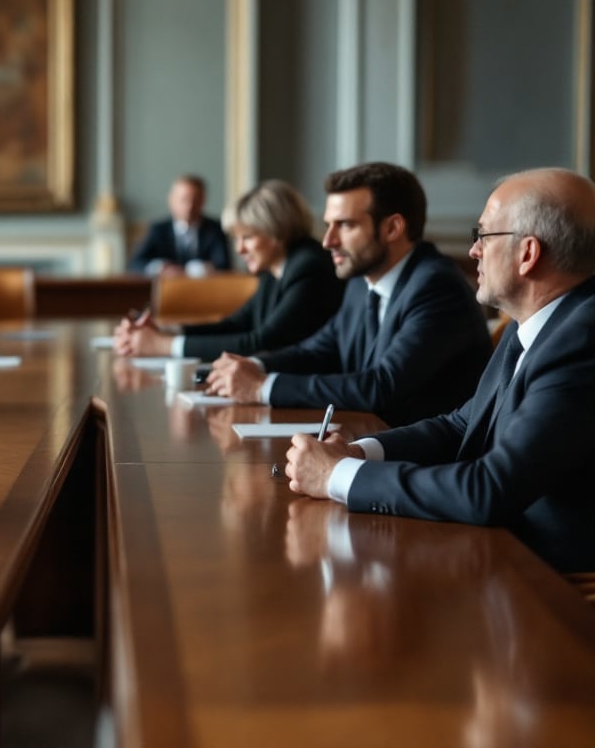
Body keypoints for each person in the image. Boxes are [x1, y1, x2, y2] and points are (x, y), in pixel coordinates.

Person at [283, 167, 595, 573]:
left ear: (528, 253)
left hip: (547, 585)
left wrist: (338, 475)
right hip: (496, 550)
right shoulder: (537, 322)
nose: (473, 251)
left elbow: (489, 490)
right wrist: (358, 452)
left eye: (483, 235)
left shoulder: (582, 339)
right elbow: (461, 426)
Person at [205, 162, 491, 427]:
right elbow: (319, 350)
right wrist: (253, 365)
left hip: (426, 461)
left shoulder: (437, 287)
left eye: (345, 225)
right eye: (329, 225)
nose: (328, 241)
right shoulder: (360, 281)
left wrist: (260, 387)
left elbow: (381, 387)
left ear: (392, 228)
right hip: (368, 437)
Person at [114, 179, 344, 360]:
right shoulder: (274, 268)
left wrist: (163, 345)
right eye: (236, 238)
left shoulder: (309, 266)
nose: (239, 249)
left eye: (248, 237)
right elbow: (237, 324)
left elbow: (261, 343)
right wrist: (168, 331)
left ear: (277, 233)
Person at [127, 175, 232, 276]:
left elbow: (224, 265)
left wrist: (196, 269)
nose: (189, 206)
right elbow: (135, 264)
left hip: (205, 290)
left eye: (195, 200)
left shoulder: (215, 229)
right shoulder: (158, 229)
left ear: (203, 200)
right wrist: (159, 267)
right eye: (184, 199)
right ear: (171, 200)